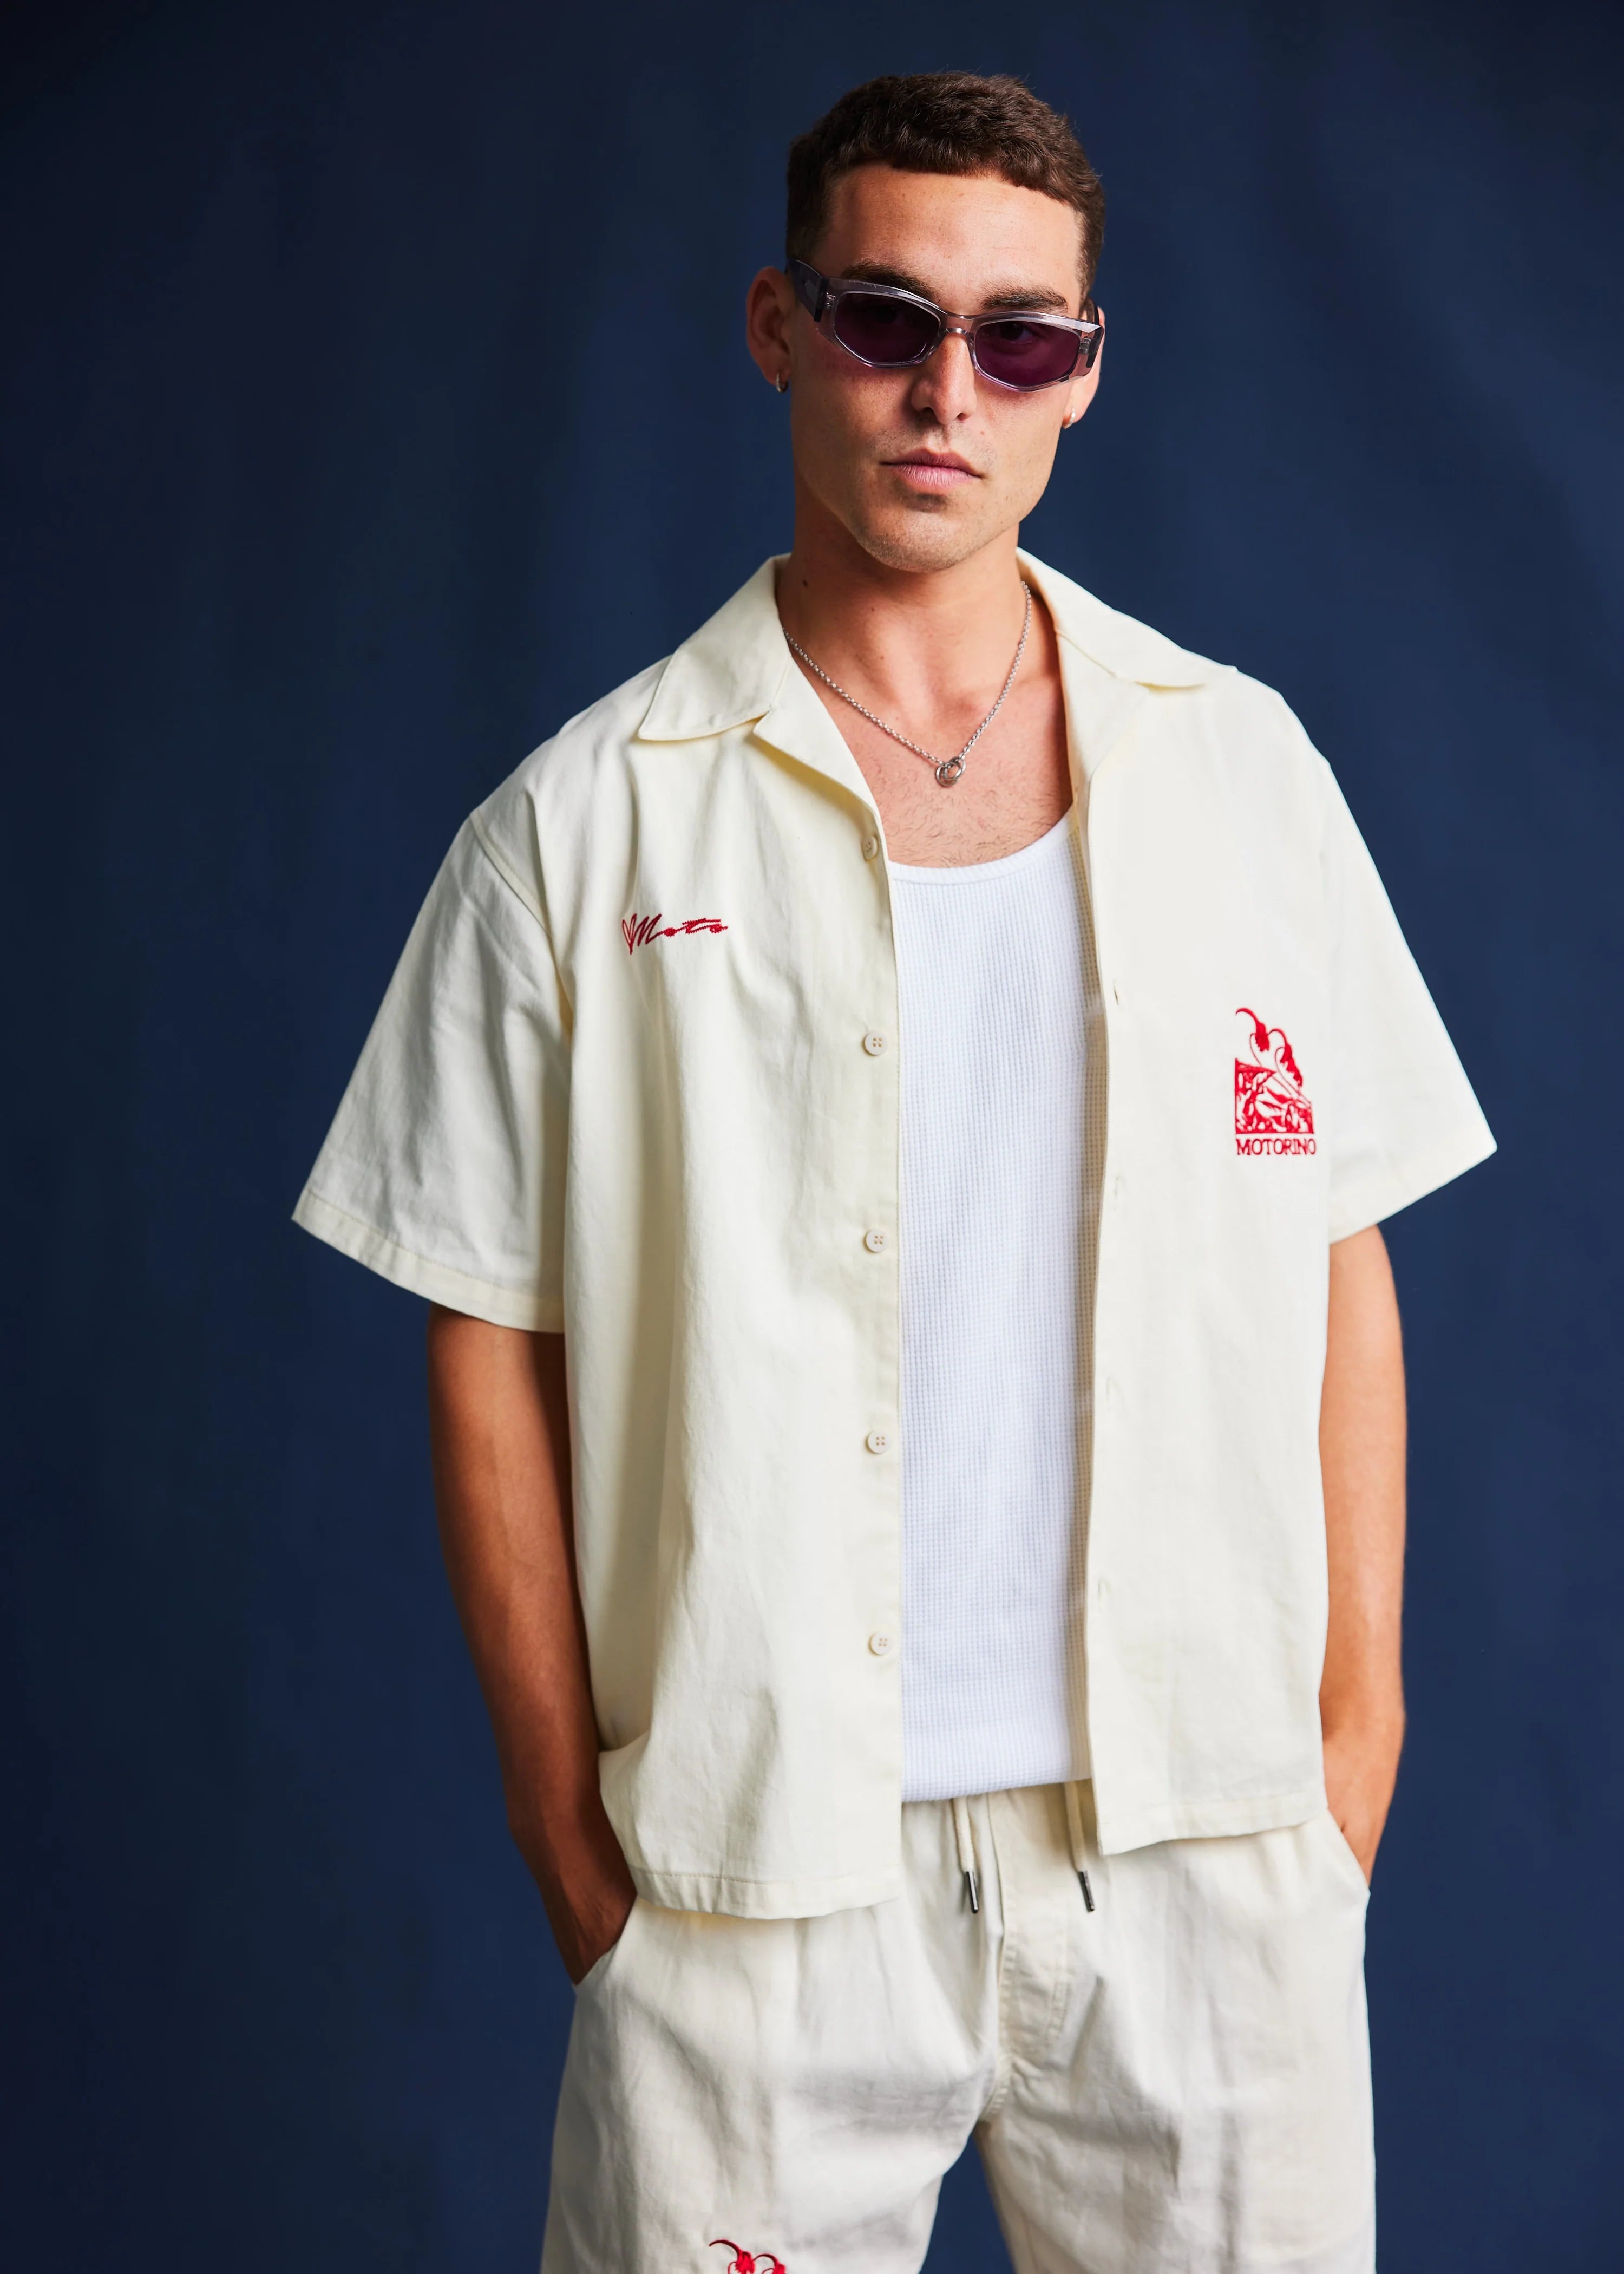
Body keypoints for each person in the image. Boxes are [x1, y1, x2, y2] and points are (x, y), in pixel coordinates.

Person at [295, 70, 1494, 2274]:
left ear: (1084, 375)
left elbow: (1343, 1246)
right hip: (755, 1877)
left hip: (1205, 1855)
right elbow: (487, 1341)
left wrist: (1355, 1750)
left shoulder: (1241, 774)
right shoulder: (582, 828)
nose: (952, 391)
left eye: (1023, 338)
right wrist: (583, 1860)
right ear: (777, 325)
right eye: (884, 319)